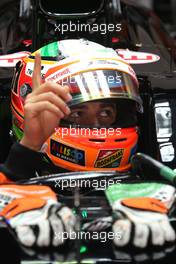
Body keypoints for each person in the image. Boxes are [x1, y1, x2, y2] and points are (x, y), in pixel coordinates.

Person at [0, 39, 175, 250]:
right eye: (76, 113)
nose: (96, 125)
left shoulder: (161, 188)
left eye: (106, 113)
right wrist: (27, 149)